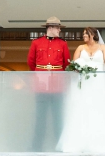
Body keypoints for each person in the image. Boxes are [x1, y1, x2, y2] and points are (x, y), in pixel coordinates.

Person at [27, 16, 70, 150]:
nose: (59, 30)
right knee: (40, 120)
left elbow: (66, 63)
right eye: (58, 28)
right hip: (41, 87)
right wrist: (41, 76)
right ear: (50, 28)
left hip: (57, 86)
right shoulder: (36, 43)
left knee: (58, 120)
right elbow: (31, 62)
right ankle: (36, 149)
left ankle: (60, 148)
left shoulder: (63, 44)